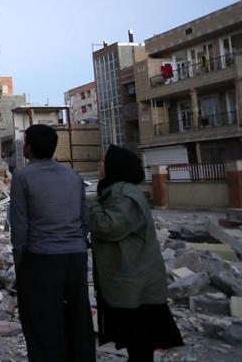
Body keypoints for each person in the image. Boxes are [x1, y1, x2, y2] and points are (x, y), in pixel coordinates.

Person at [9, 124, 95, 362]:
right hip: (75, 256)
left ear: (30, 147)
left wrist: (20, 262)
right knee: (77, 316)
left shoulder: (22, 176)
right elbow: (84, 218)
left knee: (42, 320)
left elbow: (20, 225)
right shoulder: (73, 175)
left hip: (41, 258)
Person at [90, 145, 183, 361]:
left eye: (104, 161)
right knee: (136, 340)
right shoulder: (116, 191)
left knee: (139, 340)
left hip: (135, 281)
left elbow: (108, 226)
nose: (99, 164)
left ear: (115, 166)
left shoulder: (123, 195)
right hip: (133, 278)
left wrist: (91, 206)